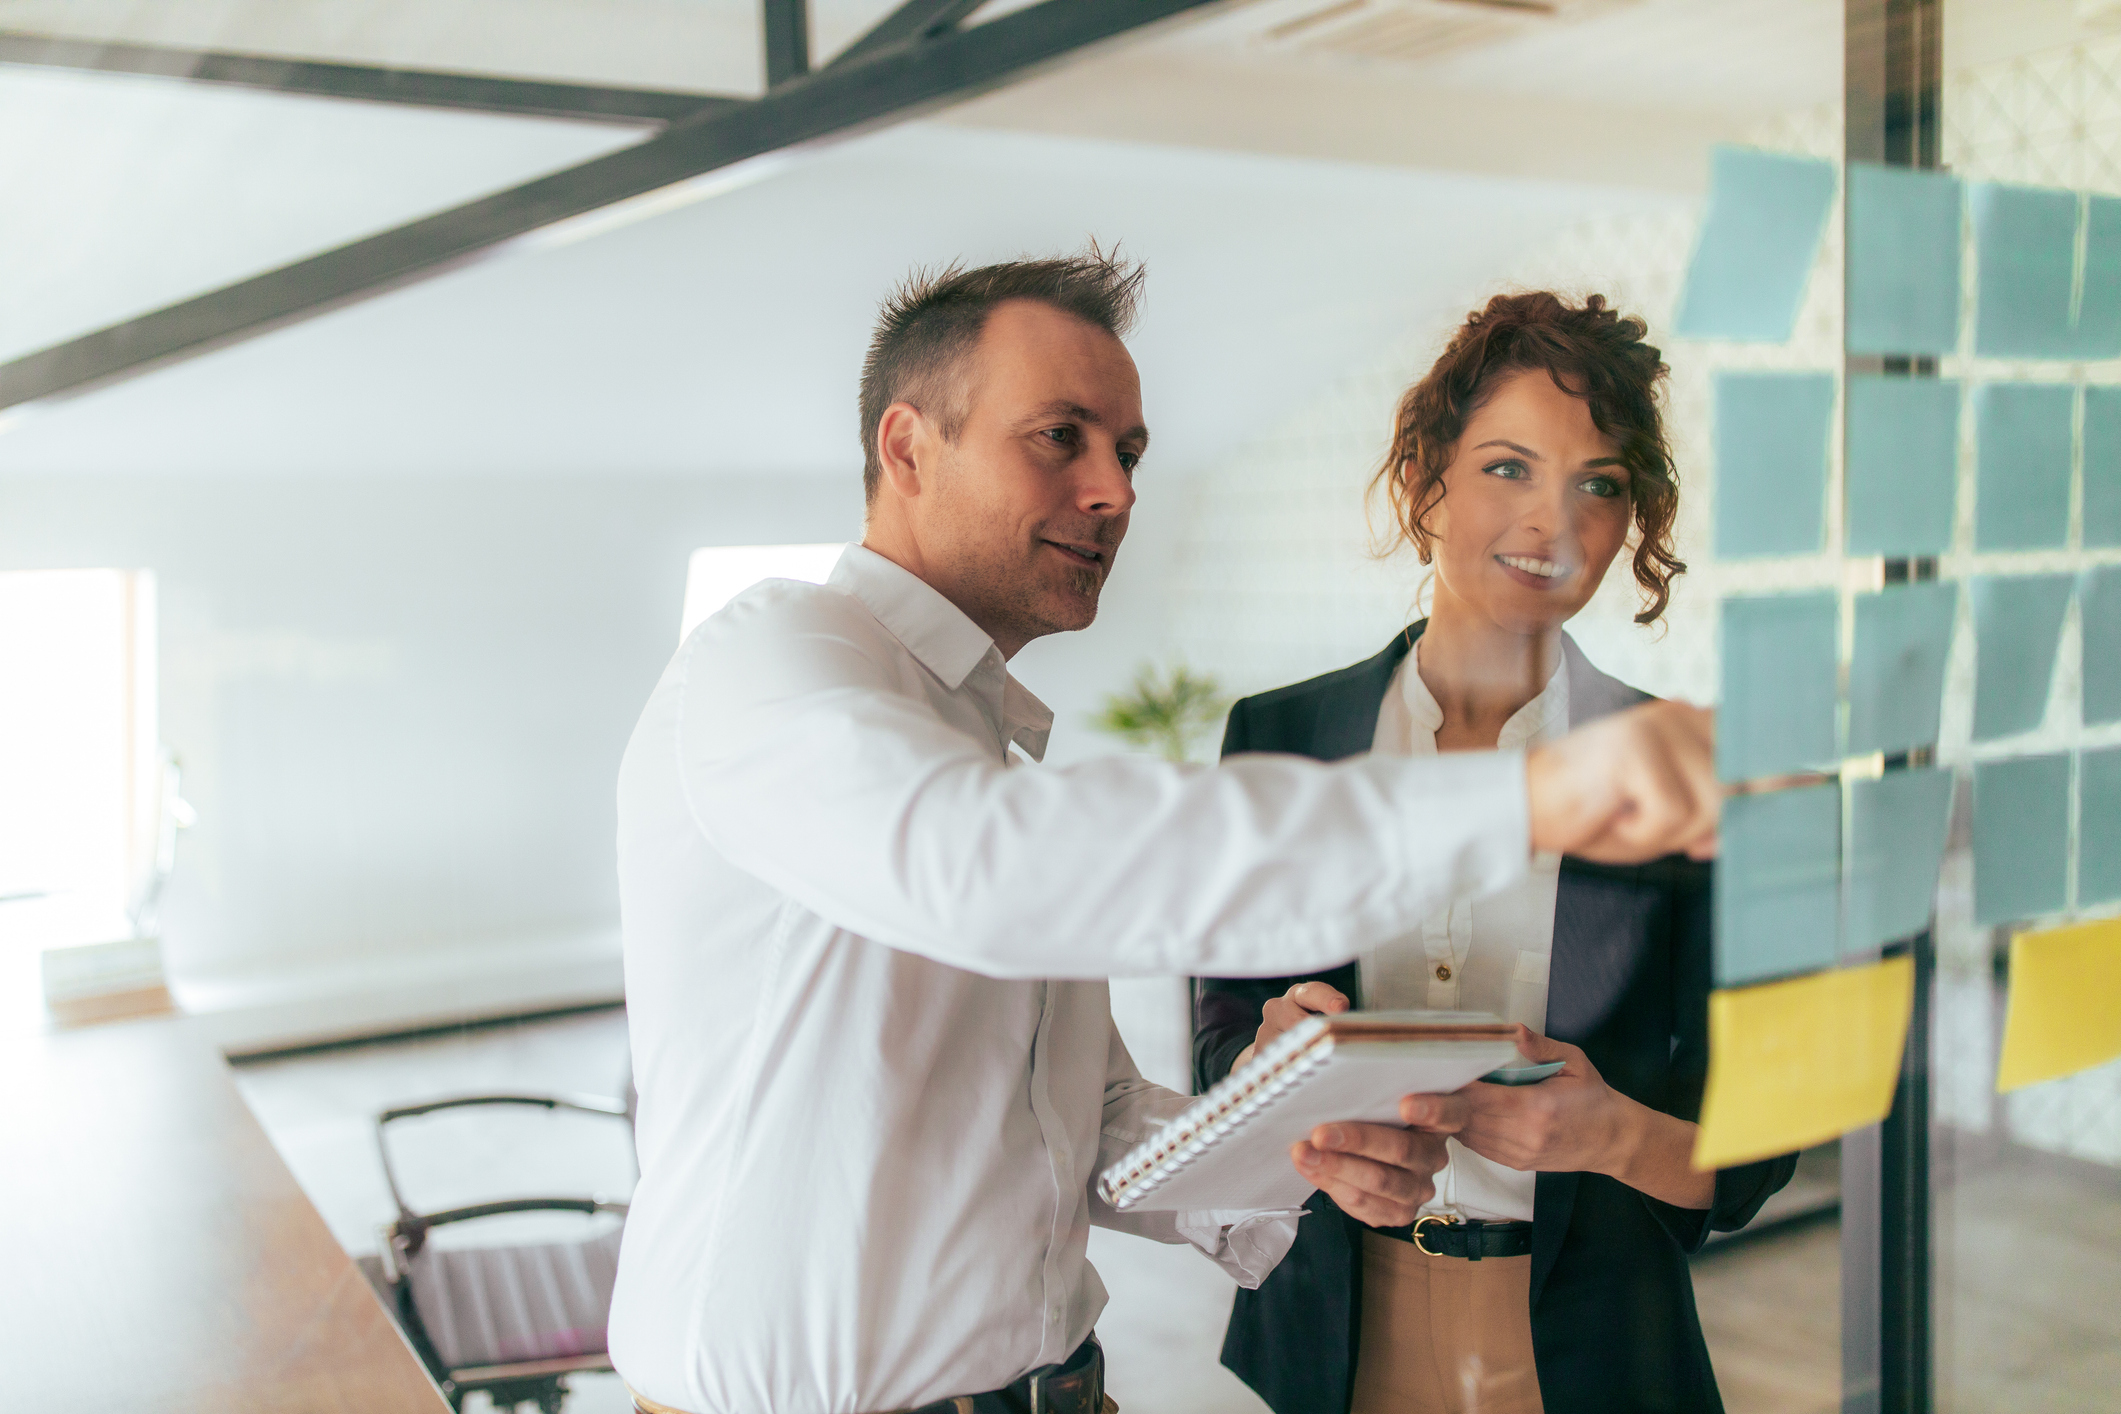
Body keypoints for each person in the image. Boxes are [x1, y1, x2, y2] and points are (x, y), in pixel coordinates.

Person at [609, 256, 1722, 1414]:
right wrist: (1527, 799)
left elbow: (1088, 1129)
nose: (1114, 492)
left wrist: (1301, 1133)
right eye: (1060, 437)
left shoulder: (979, 746)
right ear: (908, 447)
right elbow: (988, 873)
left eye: (1128, 453)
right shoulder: (769, 656)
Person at [1194, 292, 1798, 1414]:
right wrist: (1265, 1077)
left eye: (1599, 485)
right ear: (1425, 481)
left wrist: (1612, 1134)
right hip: (1332, 1336)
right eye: (1508, 468)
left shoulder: (1684, 771)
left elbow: (1760, 1148)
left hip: (1592, 1352)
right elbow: (1219, 1042)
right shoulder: (1282, 736)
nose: (1553, 522)